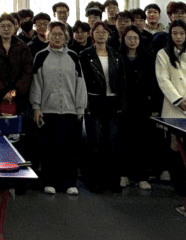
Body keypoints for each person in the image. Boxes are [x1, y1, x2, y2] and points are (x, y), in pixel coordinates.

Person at [30, 22, 86, 195]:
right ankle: (49, 182)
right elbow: (36, 83)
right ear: (47, 36)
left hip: (70, 110)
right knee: (49, 149)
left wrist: (80, 108)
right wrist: (36, 106)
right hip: (47, 110)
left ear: (66, 36)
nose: (57, 37)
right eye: (53, 34)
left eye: (60, 34)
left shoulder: (73, 56)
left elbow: (80, 83)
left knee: (69, 149)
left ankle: (69, 183)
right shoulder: (41, 56)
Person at [79, 21, 127, 192]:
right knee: (94, 141)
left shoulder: (116, 54)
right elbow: (82, 81)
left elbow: (122, 81)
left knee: (112, 141)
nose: (101, 34)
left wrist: (121, 103)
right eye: (97, 31)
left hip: (112, 102)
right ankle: (94, 181)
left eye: (104, 31)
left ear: (108, 35)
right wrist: (84, 103)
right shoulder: (85, 55)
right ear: (92, 34)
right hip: (93, 101)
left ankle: (112, 181)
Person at [118, 25, 157, 190]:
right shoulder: (118, 57)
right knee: (124, 141)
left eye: (135, 38)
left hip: (143, 106)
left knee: (142, 142)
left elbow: (153, 83)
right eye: (129, 38)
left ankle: (142, 176)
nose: (132, 41)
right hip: (124, 106)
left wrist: (153, 106)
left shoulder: (148, 58)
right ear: (124, 40)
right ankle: (124, 175)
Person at [0, 13, 33, 117]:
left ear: (15, 27)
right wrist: (3, 92)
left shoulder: (23, 47)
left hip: (18, 97)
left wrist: (13, 93)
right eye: (2, 26)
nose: (6, 29)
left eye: (9, 26)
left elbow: (27, 72)